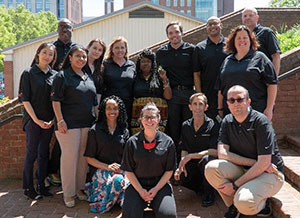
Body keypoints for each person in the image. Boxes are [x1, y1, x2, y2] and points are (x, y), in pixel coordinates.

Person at [205, 85, 284, 218]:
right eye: (232, 100)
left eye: (240, 99)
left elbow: (265, 163)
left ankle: (263, 205)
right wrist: (257, 163)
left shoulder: (261, 122)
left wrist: (235, 186)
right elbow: (223, 153)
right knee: (211, 168)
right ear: (228, 104)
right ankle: (233, 206)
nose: (236, 103)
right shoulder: (227, 121)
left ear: (248, 101)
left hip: (271, 173)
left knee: (245, 202)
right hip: (253, 168)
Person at [51, 45, 98, 208]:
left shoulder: (87, 76)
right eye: (78, 56)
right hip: (68, 125)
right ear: (70, 57)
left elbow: (94, 101)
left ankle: (79, 189)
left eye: (84, 57)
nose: (81, 59)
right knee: (69, 158)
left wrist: (97, 119)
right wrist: (60, 120)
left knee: (82, 158)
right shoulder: (62, 76)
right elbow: (55, 100)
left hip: (87, 123)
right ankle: (68, 193)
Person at [121, 103, 177, 218]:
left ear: (159, 119)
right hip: (138, 185)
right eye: (146, 117)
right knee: (130, 215)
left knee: (168, 215)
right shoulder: (132, 142)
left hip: (160, 185)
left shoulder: (168, 142)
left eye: (153, 117)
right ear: (141, 119)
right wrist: (141, 190)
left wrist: (156, 189)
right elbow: (128, 170)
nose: (149, 120)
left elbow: (169, 170)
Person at [19, 42, 57, 199]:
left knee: (44, 153)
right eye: (45, 52)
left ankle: (41, 185)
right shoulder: (28, 73)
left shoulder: (55, 75)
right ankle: (28, 187)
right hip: (32, 121)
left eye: (51, 54)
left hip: (49, 122)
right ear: (38, 53)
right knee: (31, 153)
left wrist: (53, 120)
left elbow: (57, 101)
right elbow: (25, 100)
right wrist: (36, 120)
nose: (47, 56)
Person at [216, 25, 278, 121]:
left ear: (251, 40)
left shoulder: (260, 58)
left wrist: (269, 108)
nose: (242, 41)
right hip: (231, 113)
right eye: (238, 38)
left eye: (245, 38)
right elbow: (221, 88)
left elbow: (272, 84)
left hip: (256, 112)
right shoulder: (227, 61)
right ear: (233, 41)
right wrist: (220, 108)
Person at [156, 21, 195, 163]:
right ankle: (172, 163)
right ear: (167, 36)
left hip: (188, 94)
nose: (174, 35)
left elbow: (197, 73)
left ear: (182, 33)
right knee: (173, 130)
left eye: (177, 32)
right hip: (171, 95)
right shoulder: (161, 52)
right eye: (171, 33)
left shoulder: (191, 50)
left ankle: (187, 164)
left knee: (188, 129)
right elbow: (159, 73)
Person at [84, 95, 130, 213]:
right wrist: (107, 167)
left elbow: (127, 156)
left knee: (129, 183)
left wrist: (121, 167)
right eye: (108, 108)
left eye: (115, 108)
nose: (112, 111)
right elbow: (89, 158)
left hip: (120, 169)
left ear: (119, 111)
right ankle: (108, 201)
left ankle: (117, 198)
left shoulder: (124, 130)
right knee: (119, 181)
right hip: (100, 170)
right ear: (104, 110)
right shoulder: (95, 130)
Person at [174, 93, 219, 207]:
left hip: (207, 163)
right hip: (193, 163)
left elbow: (215, 151)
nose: (198, 107)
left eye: (201, 104)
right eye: (195, 104)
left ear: (206, 107)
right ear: (190, 107)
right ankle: (201, 188)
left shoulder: (213, 125)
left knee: (206, 160)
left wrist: (192, 155)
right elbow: (184, 148)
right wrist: (182, 164)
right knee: (181, 176)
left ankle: (209, 194)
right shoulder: (185, 125)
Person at [48, 18, 76, 185]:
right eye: (62, 27)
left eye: (68, 27)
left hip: (74, 100)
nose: (65, 30)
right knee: (59, 137)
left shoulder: (76, 48)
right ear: (57, 30)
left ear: (73, 29)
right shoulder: (51, 49)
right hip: (56, 100)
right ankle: (51, 171)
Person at [193, 16, 229, 120]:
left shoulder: (230, 45)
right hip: (208, 94)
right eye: (209, 24)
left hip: (227, 92)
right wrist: (200, 95)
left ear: (221, 25)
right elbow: (196, 73)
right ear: (206, 28)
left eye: (215, 23)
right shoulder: (199, 48)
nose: (212, 26)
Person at [131, 49, 172, 135]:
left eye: (148, 61)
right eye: (143, 61)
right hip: (139, 115)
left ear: (153, 63)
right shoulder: (135, 77)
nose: (145, 64)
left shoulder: (159, 77)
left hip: (157, 114)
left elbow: (168, 96)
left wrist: (164, 79)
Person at [102, 36, 136, 123]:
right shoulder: (105, 64)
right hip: (109, 105)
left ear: (126, 49)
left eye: (122, 47)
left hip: (127, 104)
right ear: (112, 49)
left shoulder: (131, 65)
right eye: (116, 48)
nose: (119, 50)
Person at [242, 7, 281, 76]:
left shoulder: (266, 32)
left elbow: (276, 56)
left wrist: (274, 78)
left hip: (263, 76)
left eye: (250, 15)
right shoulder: (241, 36)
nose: (247, 18)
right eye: (245, 16)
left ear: (257, 17)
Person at [85, 39, 106, 103]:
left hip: (92, 105)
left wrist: (97, 110)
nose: (97, 51)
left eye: (100, 50)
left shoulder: (100, 69)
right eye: (94, 48)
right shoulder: (80, 64)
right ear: (88, 48)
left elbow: (99, 92)